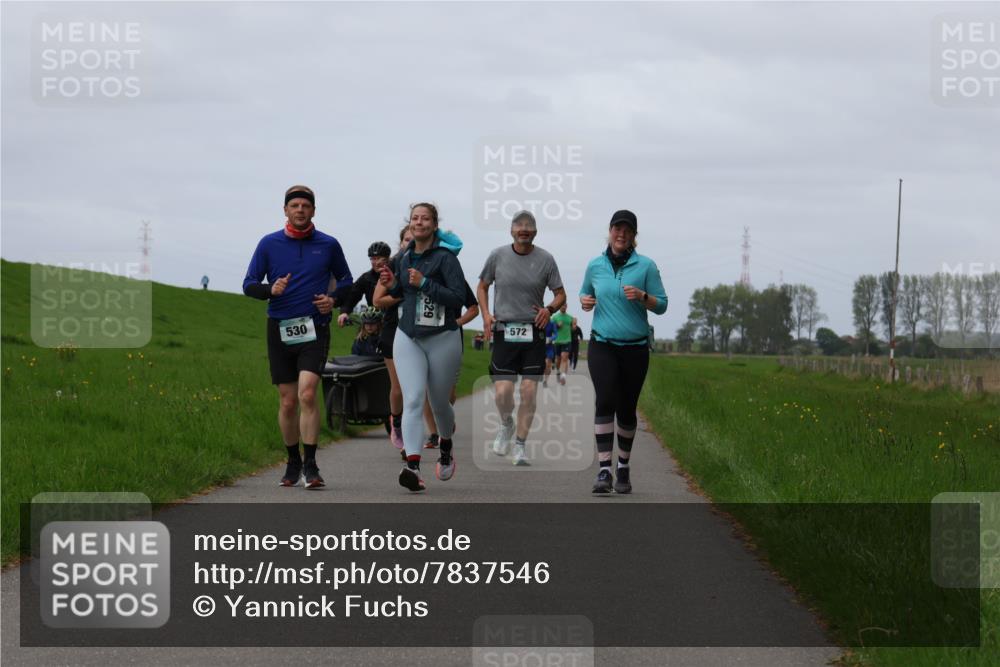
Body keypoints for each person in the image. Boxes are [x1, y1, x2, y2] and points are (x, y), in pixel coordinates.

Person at [243, 185, 353, 489]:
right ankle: (292, 462)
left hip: (314, 327)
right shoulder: (269, 244)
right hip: (279, 328)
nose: (300, 210)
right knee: (288, 400)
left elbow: (346, 280)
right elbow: (249, 284)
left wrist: (332, 300)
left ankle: (311, 464)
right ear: (286, 210)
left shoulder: (328, 245)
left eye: (306, 205)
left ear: (313, 211)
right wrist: (270, 290)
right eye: (295, 205)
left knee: (307, 392)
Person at [378, 203, 467, 492]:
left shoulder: (447, 259)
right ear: (410, 223)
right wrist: (392, 284)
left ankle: (446, 446)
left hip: (443, 337)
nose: (419, 222)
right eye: (415, 218)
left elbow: (457, 299)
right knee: (414, 398)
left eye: (425, 218)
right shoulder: (403, 257)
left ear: (433, 225)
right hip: (408, 335)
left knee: (439, 403)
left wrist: (426, 282)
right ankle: (413, 467)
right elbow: (402, 293)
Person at [579, 209, 667, 494]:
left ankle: (624, 466)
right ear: (610, 231)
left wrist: (643, 297)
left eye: (627, 230)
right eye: (617, 228)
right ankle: (604, 470)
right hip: (602, 343)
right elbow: (584, 293)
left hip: (635, 349)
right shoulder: (595, 265)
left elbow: (662, 305)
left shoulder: (646, 267)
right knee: (605, 400)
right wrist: (585, 302)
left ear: (634, 236)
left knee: (627, 408)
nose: (621, 234)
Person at [477, 210, 565, 466]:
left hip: (533, 333)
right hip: (505, 330)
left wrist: (549, 310)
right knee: (503, 392)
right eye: (519, 225)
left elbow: (561, 295)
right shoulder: (497, 256)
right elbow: (482, 286)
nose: (524, 229)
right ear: (511, 230)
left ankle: (520, 446)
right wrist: (485, 315)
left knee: (528, 391)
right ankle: (506, 424)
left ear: (535, 232)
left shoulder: (546, 259)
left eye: (529, 225)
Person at [421, 278, 479, 449]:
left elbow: (473, 309)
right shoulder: (417, 276)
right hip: (424, 339)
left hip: (450, 341)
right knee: (425, 389)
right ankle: (433, 433)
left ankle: (446, 416)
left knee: (448, 393)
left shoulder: (455, 277)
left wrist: (456, 323)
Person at [373, 225, 414, 453]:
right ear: (400, 243)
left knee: (416, 390)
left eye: (413, 239)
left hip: (421, 332)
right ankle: (396, 423)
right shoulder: (393, 264)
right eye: (406, 239)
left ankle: (412, 437)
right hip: (394, 329)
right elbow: (377, 300)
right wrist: (401, 296)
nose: (410, 242)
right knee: (399, 387)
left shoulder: (432, 261)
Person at [337, 241, 392, 327]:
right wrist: (344, 312)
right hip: (373, 321)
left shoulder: (396, 274)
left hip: (394, 320)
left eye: (379, 258)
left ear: (388, 259)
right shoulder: (366, 278)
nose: (376, 262)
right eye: (373, 259)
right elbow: (353, 295)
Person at [551, 304, 574, 384]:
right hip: (557, 341)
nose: (563, 307)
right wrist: (557, 325)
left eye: (565, 306)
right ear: (559, 307)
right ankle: (558, 372)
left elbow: (573, 328)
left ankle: (563, 376)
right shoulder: (554, 317)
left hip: (567, 341)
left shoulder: (570, 318)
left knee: (564, 357)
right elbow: (550, 328)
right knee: (558, 359)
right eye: (562, 306)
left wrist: (574, 326)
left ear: (566, 306)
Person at [542, 319, 557, 388]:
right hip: (540, 347)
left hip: (549, 347)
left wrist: (550, 338)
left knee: (548, 364)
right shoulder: (538, 321)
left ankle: (545, 380)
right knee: (543, 365)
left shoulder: (552, 323)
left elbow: (556, 334)